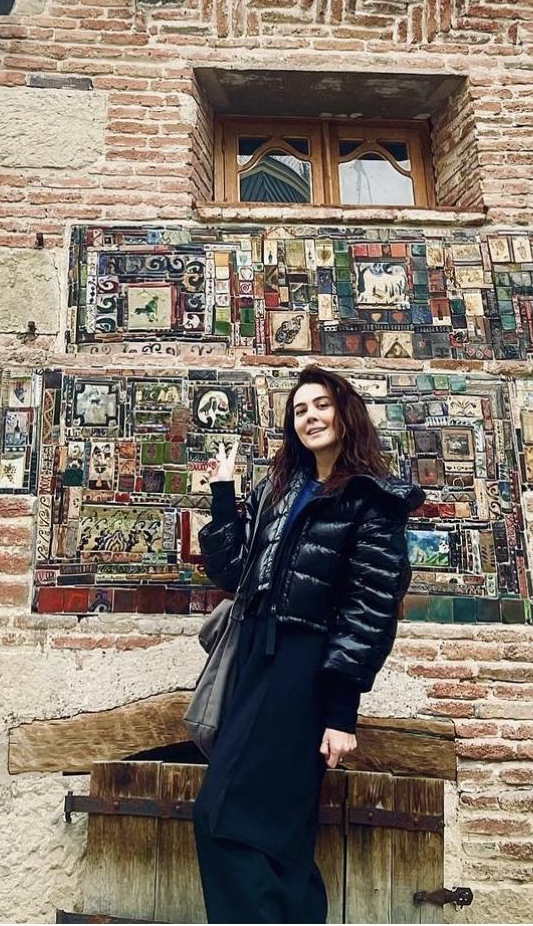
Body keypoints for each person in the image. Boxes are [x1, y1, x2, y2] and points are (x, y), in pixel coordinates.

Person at [194, 365, 424, 924]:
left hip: (303, 668)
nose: (310, 417)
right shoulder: (281, 489)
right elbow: (235, 573)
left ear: (345, 414)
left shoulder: (371, 500)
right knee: (280, 830)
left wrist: (342, 713)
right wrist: (223, 492)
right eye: (299, 410)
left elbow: (368, 610)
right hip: (255, 658)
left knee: (224, 817)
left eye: (321, 405)